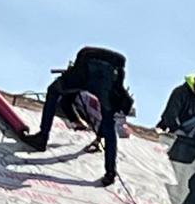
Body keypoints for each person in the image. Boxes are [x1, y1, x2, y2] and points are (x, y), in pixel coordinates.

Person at [21, 46, 133, 185]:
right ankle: (110, 172)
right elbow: (106, 116)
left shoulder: (77, 76)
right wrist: (95, 132)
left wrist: (77, 121)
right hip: (112, 73)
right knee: (109, 123)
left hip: (87, 65)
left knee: (54, 90)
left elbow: (66, 99)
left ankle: (42, 137)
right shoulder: (116, 76)